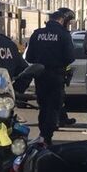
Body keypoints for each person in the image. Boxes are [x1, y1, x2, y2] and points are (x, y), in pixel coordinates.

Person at [23, 8, 75, 144]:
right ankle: (47, 136)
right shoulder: (63, 34)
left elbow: (29, 56)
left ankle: (43, 134)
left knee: (43, 106)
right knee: (53, 106)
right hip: (56, 75)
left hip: (40, 75)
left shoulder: (37, 34)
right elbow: (70, 57)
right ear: (61, 20)